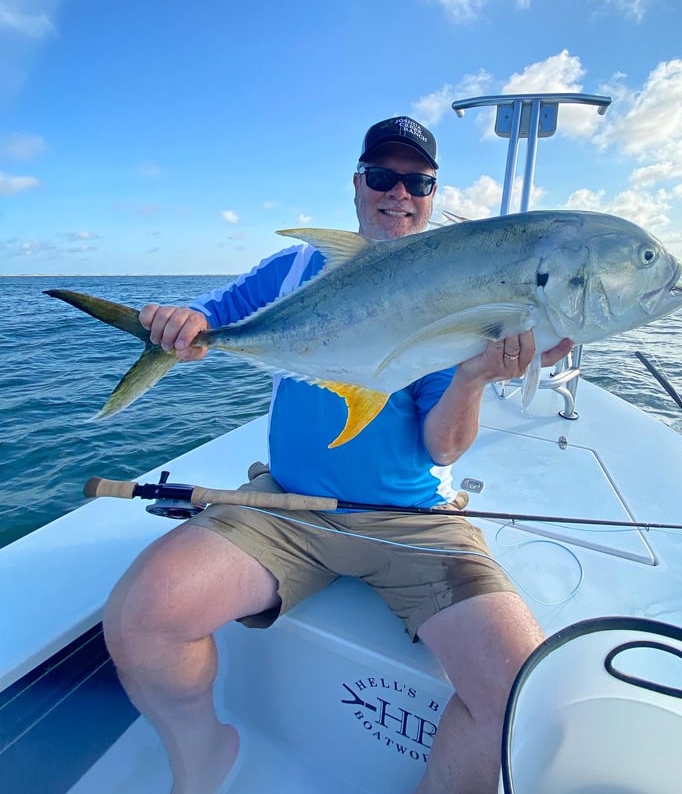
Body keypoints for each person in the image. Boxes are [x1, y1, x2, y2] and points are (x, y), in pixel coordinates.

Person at [103, 115, 573, 794]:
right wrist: (187, 322)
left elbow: (442, 446)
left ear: (434, 194)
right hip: (285, 507)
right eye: (383, 176)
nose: (398, 193)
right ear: (358, 184)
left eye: (417, 182)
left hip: (412, 522)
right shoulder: (295, 265)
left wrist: (472, 377)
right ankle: (204, 756)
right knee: (140, 617)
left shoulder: (456, 283)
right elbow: (218, 309)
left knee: (520, 690)